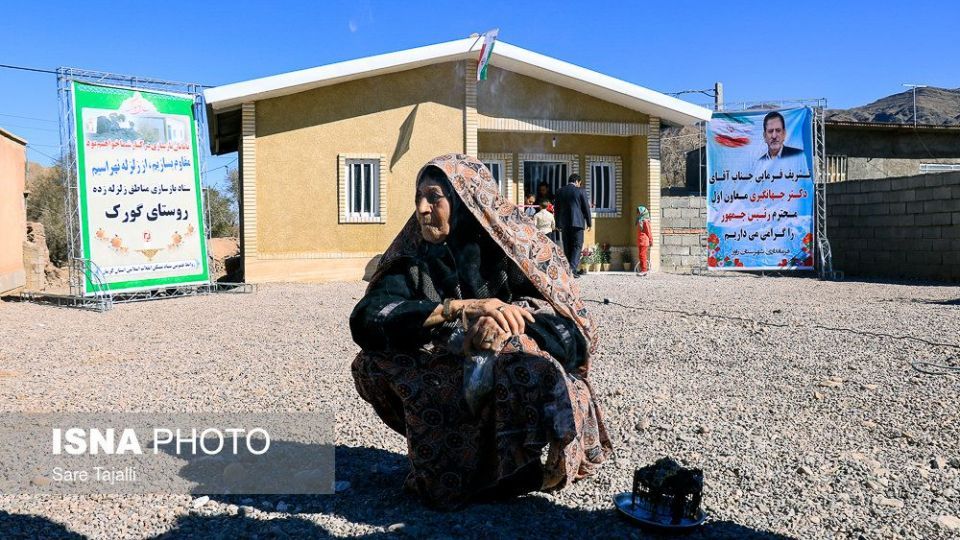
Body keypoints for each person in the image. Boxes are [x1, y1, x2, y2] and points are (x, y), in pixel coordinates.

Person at [350, 154, 611, 510]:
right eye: (418, 198)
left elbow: (574, 331)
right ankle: (454, 463)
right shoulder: (414, 257)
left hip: (509, 375)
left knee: (522, 359)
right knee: (371, 363)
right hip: (447, 373)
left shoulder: (515, 249)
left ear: (463, 201)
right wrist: (458, 310)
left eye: (434, 197)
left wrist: (509, 323)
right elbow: (366, 319)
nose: (422, 209)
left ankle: (522, 469)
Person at [553, 173, 592, 277]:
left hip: (564, 223)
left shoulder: (560, 191)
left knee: (567, 245)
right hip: (578, 223)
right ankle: (572, 269)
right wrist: (589, 222)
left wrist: (557, 223)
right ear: (577, 181)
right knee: (577, 245)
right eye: (580, 183)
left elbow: (556, 209)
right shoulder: (581, 190)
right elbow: (586, 207)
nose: (579, 185)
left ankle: (570, 270)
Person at [755, 111, 808, 178]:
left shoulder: (798, 155)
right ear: (764, 136)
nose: (774, 136)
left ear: (784, 134)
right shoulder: (760, 162)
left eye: (778, 130)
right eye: (770, 131)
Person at [635, 206, 653, 275]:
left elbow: (649, 232)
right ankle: (642, 270)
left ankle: (644, 270)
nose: (638, 213)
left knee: (642, 255)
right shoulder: (640, 220)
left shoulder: (645, 221)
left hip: (644, 241)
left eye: (639, 212)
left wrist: (651, 240)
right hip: (640, 241)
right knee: (641, 255)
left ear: (643, 212)